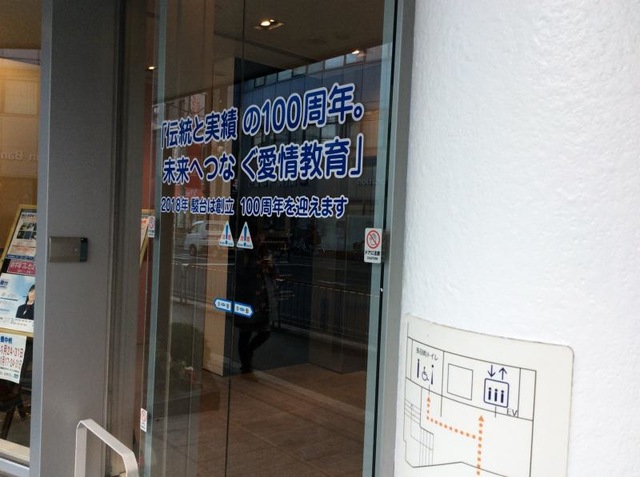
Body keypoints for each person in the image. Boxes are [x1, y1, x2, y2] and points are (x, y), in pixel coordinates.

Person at [235, 233, 277, 373]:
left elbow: (274, 273)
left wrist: (271, 268)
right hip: (248, 300)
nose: (260, 239)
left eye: (261, 236)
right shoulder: (244, 254)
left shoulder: (266, 252)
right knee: (245, 333)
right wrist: (258, 266)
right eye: (256, 237)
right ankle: (246, 365)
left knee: (265, 332)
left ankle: (248, 352)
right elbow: (240, 275)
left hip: (263, 301)